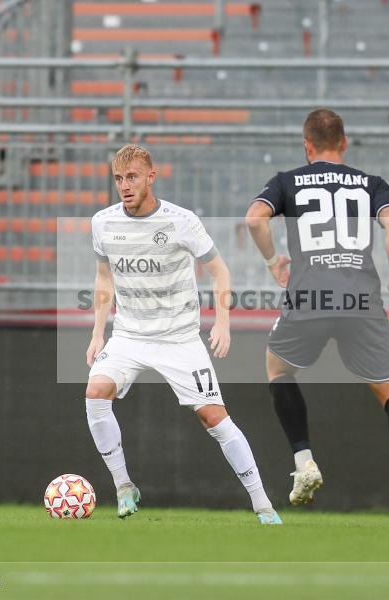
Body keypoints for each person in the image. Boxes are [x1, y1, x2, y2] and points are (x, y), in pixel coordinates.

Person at [244, 108, 389, 528]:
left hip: (309, 293)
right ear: (344, 143)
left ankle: (304, 460)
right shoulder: (370, 183)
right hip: (361, 299)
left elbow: (255, 217)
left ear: (307, 145)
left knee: (277, 368)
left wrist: (275, 261)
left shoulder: (288, 180)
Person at [85, 144, 281, 525]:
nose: (125, 186)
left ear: (151, 176)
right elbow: (103, 277)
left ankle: (263, 505)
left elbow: (220, 270)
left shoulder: (181, 221)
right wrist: (98, 334)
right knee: (95, 393)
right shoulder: (103, 223)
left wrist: (222, 321)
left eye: (133, 177)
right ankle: (124, 487)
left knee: (214, 418)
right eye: (119, 179)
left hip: (179, 339)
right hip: (129, 336)